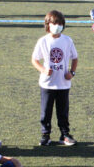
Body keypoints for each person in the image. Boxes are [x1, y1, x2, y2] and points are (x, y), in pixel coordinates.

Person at [31, 10, 78, 147]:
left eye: (60, 23)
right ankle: (45, 135)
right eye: (54, 23)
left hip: (63, 84)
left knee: (63, 111)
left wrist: (72, 73)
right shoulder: (43, 41)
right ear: (48, 24)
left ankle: (65, 134)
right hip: (47, 84)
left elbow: (75, 58)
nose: (57, 26)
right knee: (46, 111)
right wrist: (43, 70)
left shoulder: (67, 40)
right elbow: (35, 60)